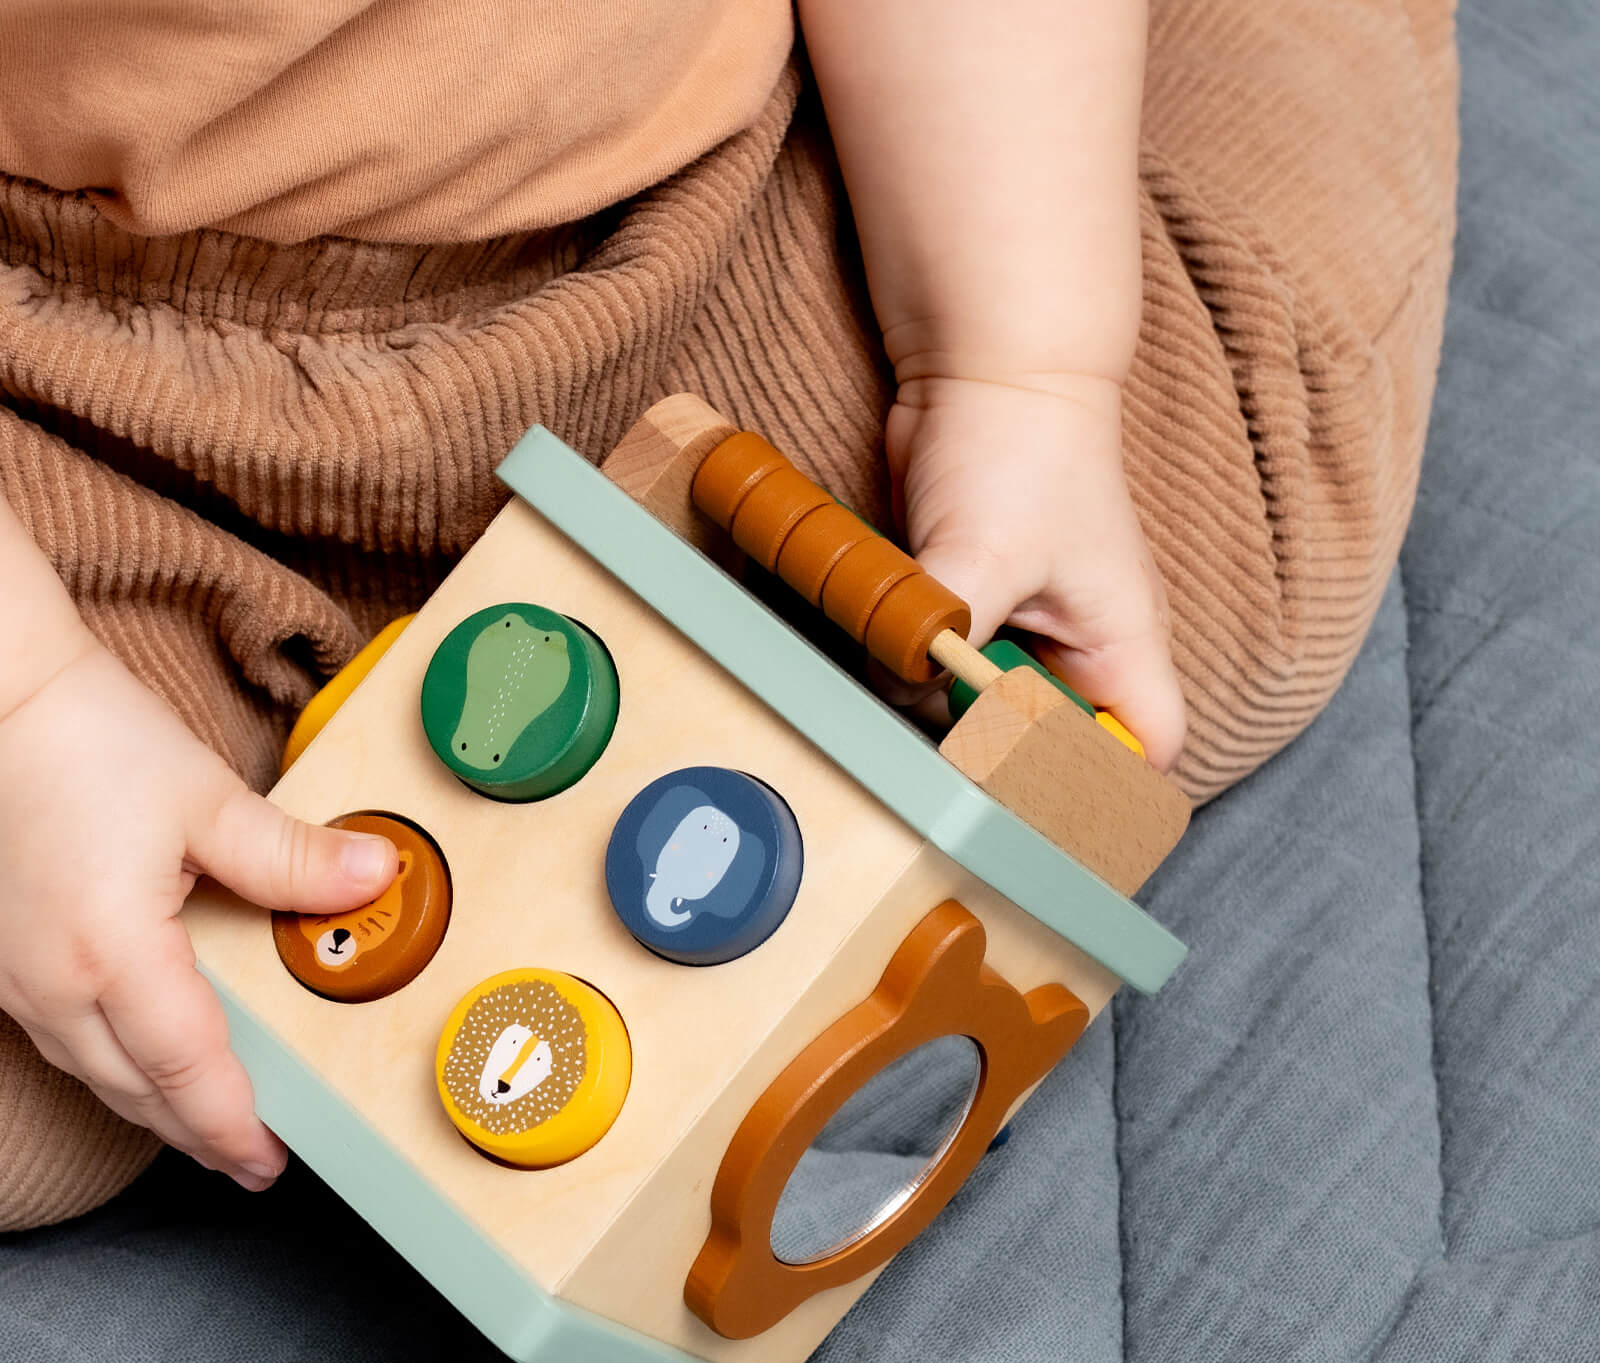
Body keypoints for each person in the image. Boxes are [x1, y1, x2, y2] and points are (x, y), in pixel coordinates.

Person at [0, 0, 1459, 1225]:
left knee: (1211, 597)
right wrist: (27, 714)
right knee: (69, 1075)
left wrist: (1013, 366)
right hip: (58, 392)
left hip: (712, 221)